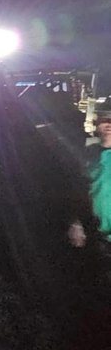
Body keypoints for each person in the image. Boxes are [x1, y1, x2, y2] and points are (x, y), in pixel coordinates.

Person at [68, 106, 111, 248]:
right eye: (104, 120)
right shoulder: (88, 155)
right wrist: (76, 222)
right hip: (96, 234)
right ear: (96, 124)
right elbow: (77, 190)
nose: (109, 124)